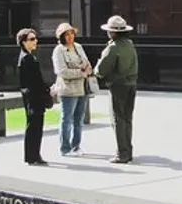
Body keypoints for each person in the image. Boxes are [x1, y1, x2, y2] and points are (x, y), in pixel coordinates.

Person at [94, 15, 138, 164]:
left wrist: (95, 71)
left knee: (117, 119)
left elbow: (101, 69)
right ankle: (128, 150)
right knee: (127, 118)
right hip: (131, 84)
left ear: (112, 32)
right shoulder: (130, 44)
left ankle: (122, 153)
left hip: (118, 85)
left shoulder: (113, 47)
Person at [51, 22, 92, 157]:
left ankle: (76, 146)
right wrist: (80, 72)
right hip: (68, 90)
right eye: (66, 34)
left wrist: (85, 69)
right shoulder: (59, 50)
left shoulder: (79, 47)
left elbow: (87, 64)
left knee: (78, 119)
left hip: (82, 88)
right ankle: (65, 148)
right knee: (67, 119)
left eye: (72, 33)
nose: (70, 37)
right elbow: (62, 71)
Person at [16, 27, 51, 166]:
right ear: (23, 42)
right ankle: (33, 156)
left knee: (35, 125)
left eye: (35, 38)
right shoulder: (27, 58)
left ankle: (33, 155)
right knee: (34, 126)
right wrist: (46, 90)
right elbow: (34, 81)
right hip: (34, 97)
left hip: (32, 96)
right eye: (31, 39)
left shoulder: (27, 57)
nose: (35, 41)